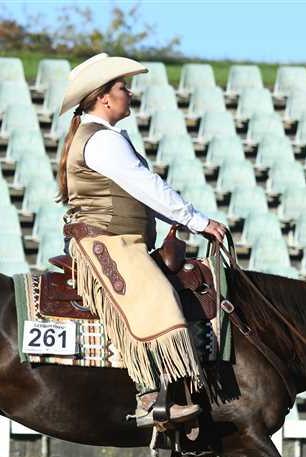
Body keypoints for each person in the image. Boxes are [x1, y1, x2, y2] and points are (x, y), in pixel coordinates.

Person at [56, 53, 229, 429]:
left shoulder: (103, 137)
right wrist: (197, 221)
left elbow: (143, 195)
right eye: (123, 87)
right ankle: (150, 397)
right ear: (104, 97)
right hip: (107, 242)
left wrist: (187, 221)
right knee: (155, 296)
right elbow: (148, 186)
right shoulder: (102, 141)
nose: (129, 93)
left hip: (120, 239)